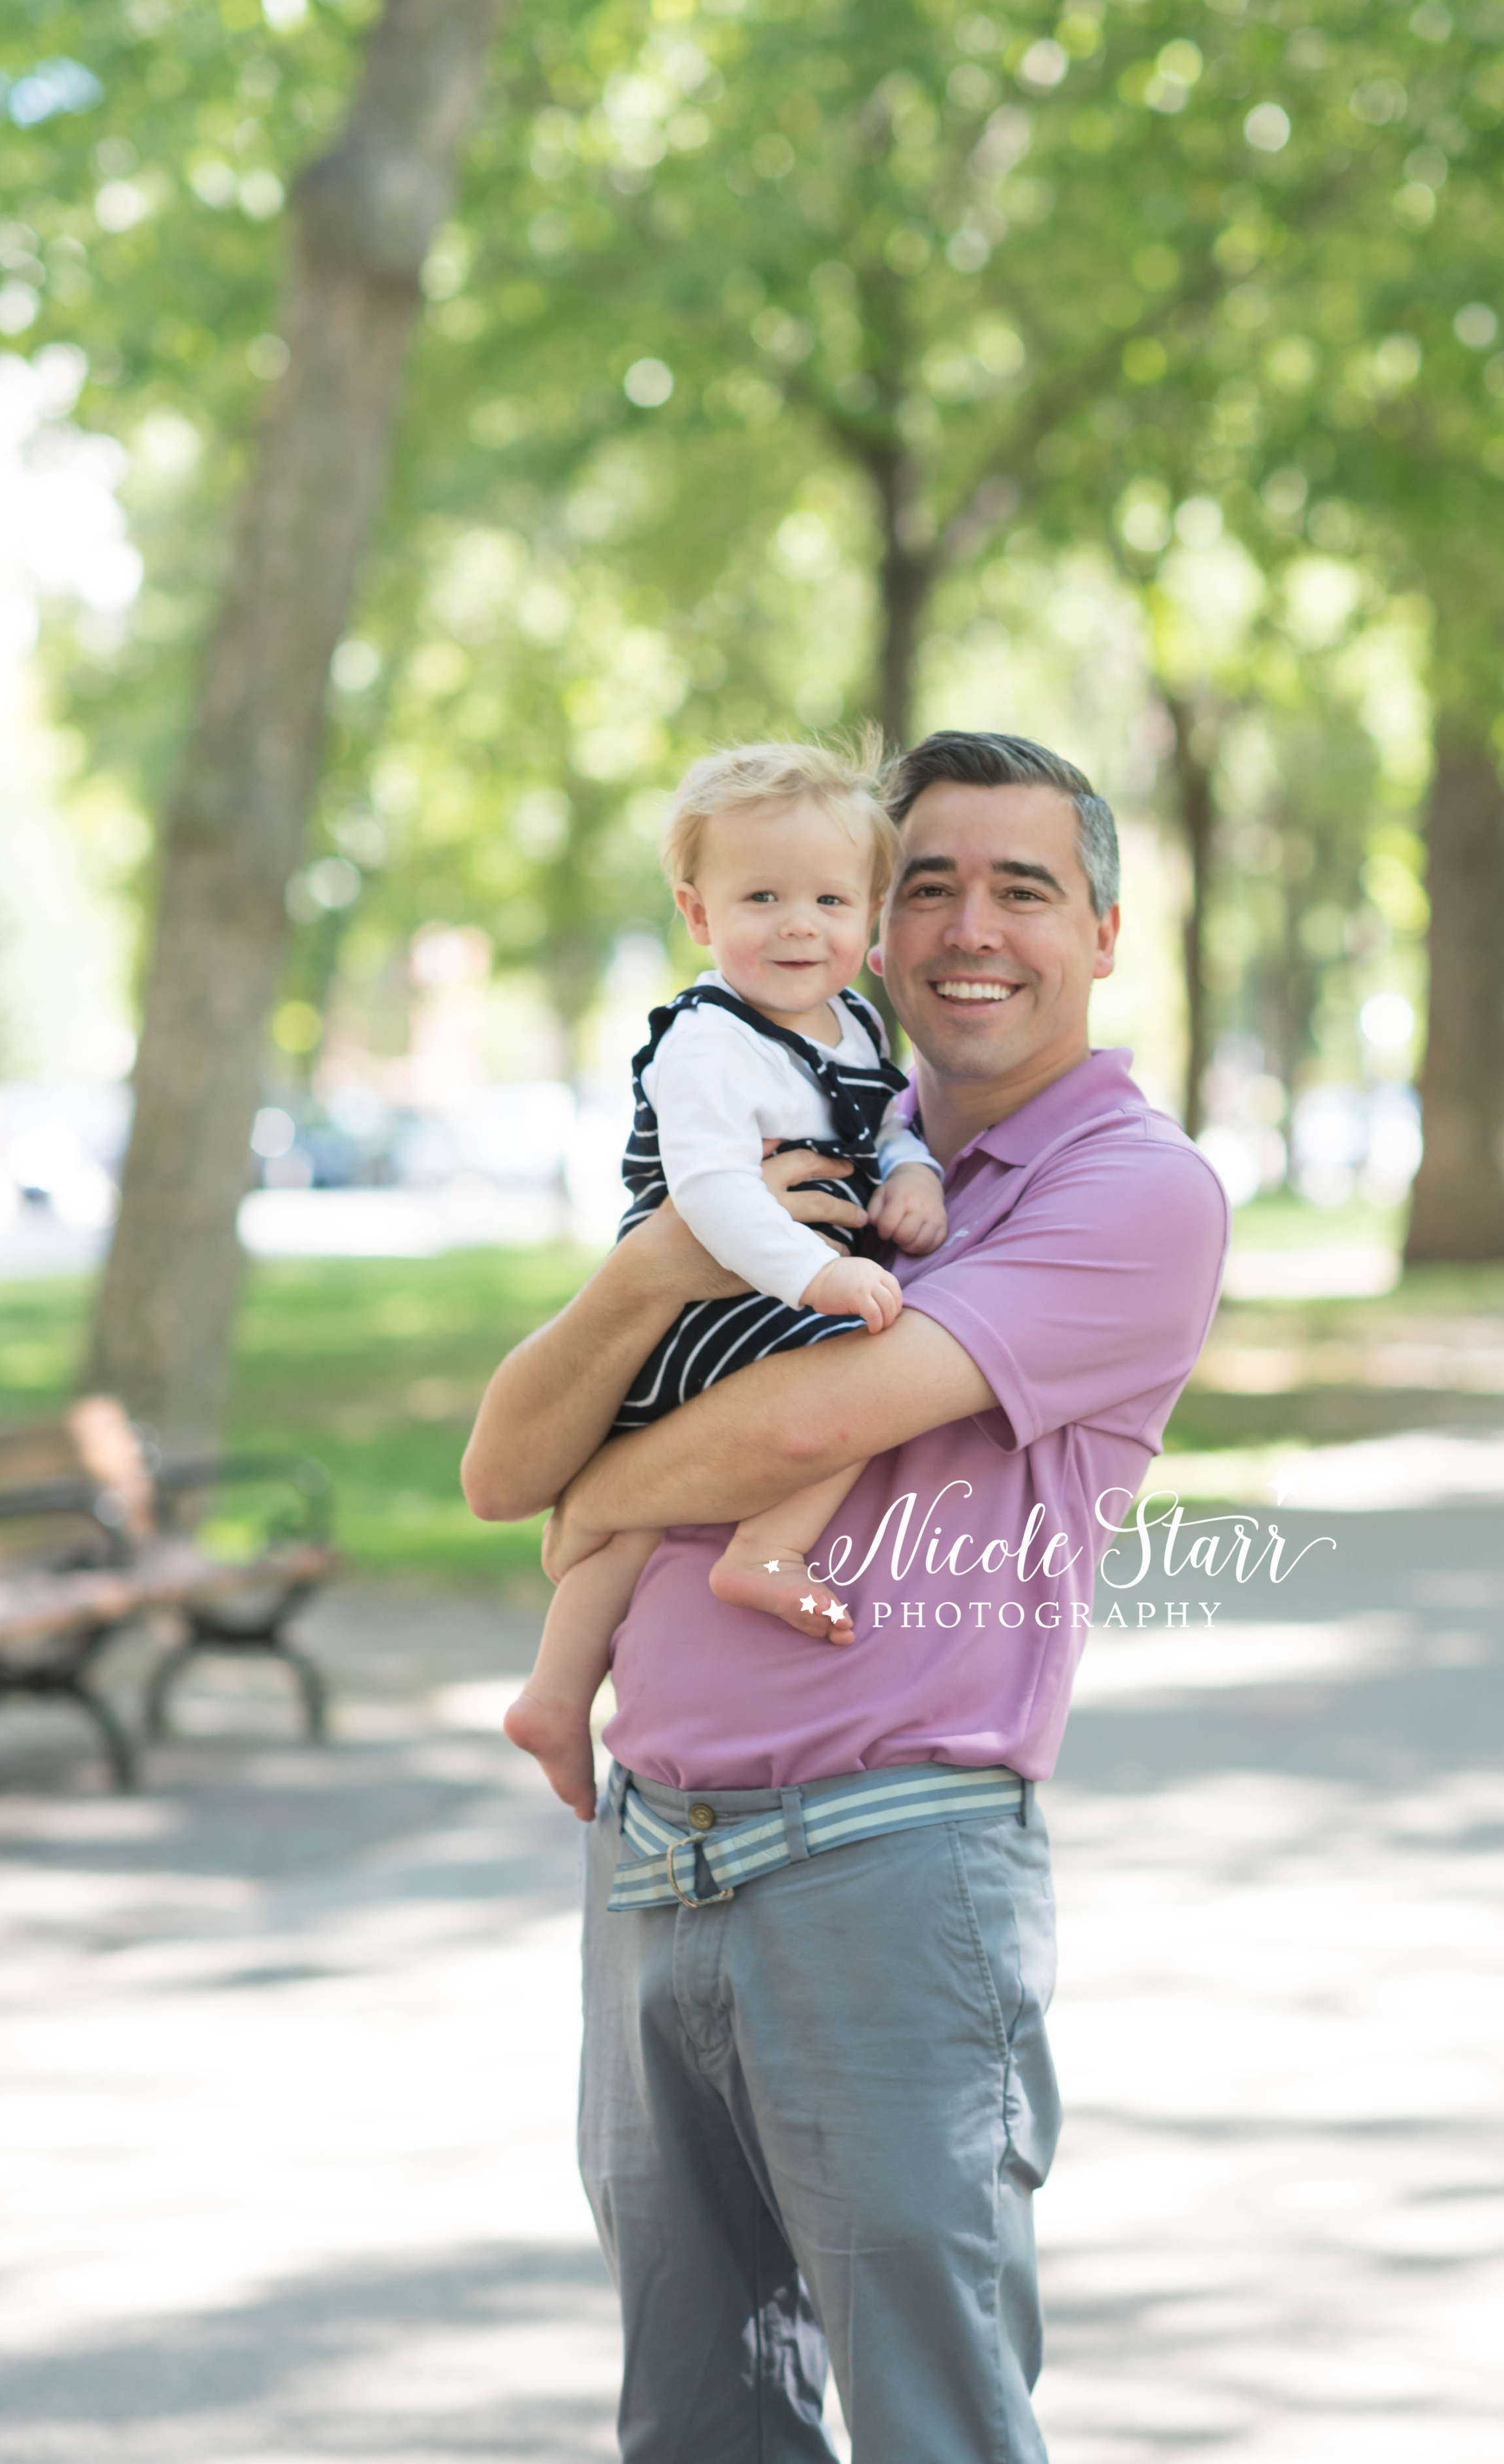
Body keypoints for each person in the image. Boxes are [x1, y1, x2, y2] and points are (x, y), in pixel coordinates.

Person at [464, 730, 1230, 2462]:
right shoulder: (764, 1128)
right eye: (929, 885)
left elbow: (794, 1419)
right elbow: (497, 1464)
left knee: (927, 2424)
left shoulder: (1127, 1190)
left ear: (1102, 931)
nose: (970, 925)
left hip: (888, 1863)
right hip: (654, 1856)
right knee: (697, 2425)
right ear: (871, 931)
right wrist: (664, 1259)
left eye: (1021, 887)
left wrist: (602, 1493)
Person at [502, 741, 948, 1820]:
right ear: (698, 914)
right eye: (763, 896)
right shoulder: (707, 1040)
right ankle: (766, 1548)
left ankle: (556, 1694)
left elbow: (885, 1125)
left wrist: (916, 1178)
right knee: (868, 1381)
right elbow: (707, 1187)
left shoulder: (855, 1027)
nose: (799, 923)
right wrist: (814, 1278)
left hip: (775, 1292)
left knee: (648, 1510)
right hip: (716, 1302)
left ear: (872, 915)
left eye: (831, 899)